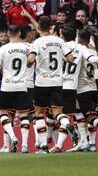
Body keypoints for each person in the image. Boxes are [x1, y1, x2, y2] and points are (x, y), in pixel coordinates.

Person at [26, 16, 76, 153]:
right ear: (51, 27)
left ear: (39, 28)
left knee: (39, 113)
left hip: (42, 82)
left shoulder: (37, 42)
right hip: (57, 82)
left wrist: (29, 62)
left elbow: (30, 59)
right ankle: (67, 124)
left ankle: (43, 146)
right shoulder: (59, 41)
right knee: (57, 112)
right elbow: (71, 59)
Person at [0, 25, 33, 154]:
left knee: (4, 113)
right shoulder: (28, 48)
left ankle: (12, 139)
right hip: (23, 86)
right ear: (19, 33)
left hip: (7, 86)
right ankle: (24, 145)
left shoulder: (3, 48)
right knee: (24, 115)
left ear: (8, 34)